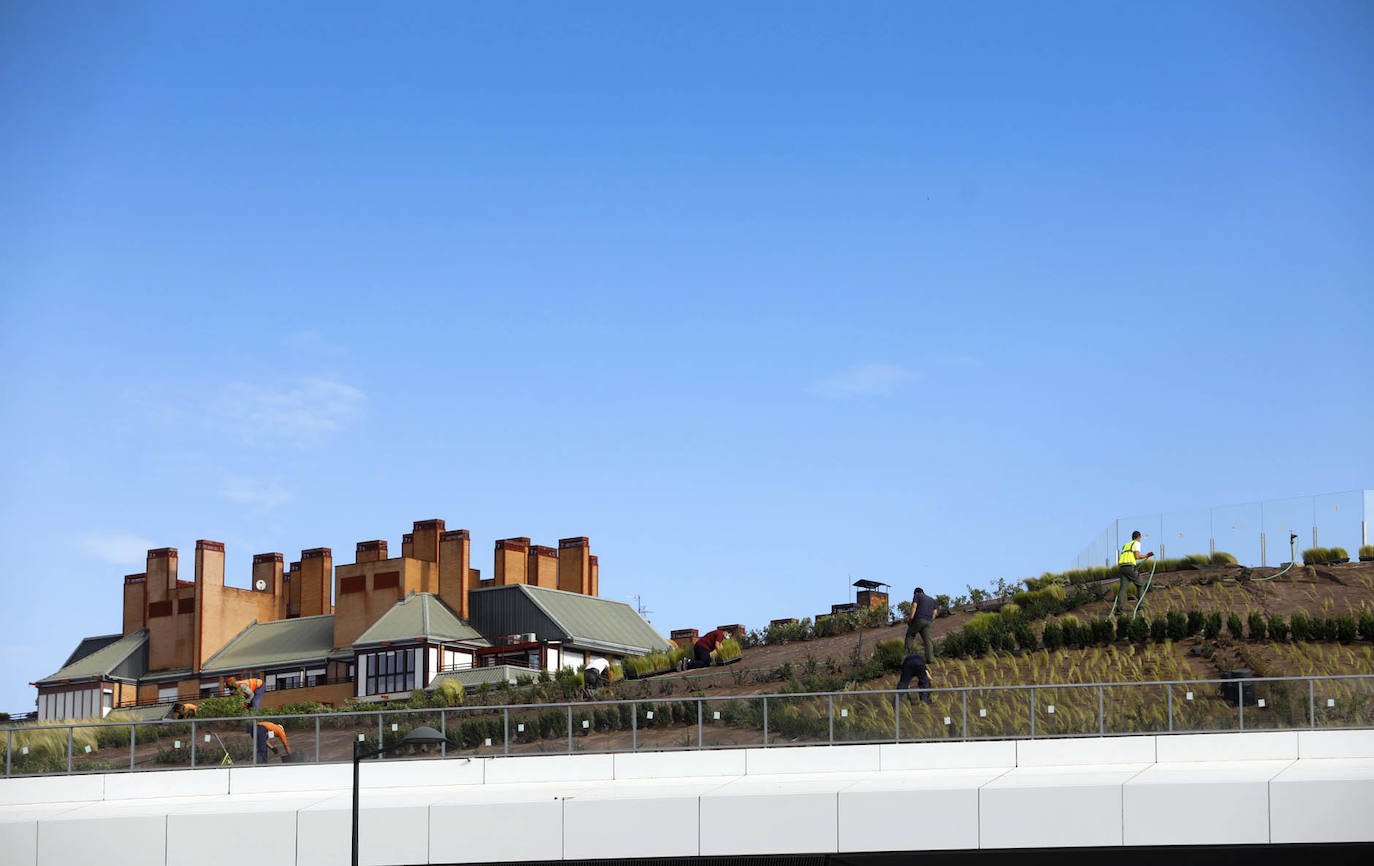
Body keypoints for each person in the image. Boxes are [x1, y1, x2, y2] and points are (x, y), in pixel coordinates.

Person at [1116, 531, 1155, 607]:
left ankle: (1118, 610)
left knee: (1123, 589)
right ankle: (1141, 606)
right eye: (1140, 538)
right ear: (1138, 537)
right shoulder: (1136, 543)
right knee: (1141, 584)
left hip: (1122, 568)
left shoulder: (1126, 545)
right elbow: (1137, 556)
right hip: (1130, 567)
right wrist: (1147, 555)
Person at [904, 587, 938, 660]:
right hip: (928, 621)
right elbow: (935, 612)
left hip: (919, 619)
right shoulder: (932, 599)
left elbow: (914, 606)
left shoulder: (917, 595)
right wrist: (931, 620)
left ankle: (908, 657)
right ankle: (930, 659)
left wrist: (910, 618)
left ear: (916, 592)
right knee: (927, 641)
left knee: (910, 636)